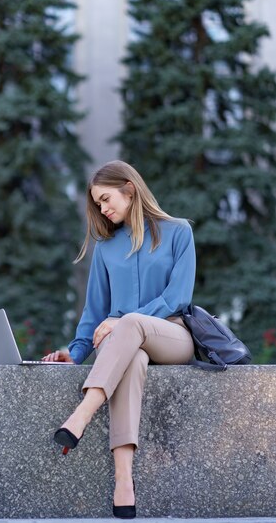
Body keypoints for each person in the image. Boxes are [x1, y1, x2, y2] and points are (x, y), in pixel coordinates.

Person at [42, 160, 195, 519]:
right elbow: (94, 313)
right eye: (97, 204)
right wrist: (74, 354)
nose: (103, 208)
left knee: (127, 324)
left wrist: (124, 320)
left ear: (130, 189)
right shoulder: (106, 249)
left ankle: (80, 416)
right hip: (126, 347)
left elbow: (179, 297)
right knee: (132, 358)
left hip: (172, 335)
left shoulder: (178, 232)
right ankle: (123, 482)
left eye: (106, 198)